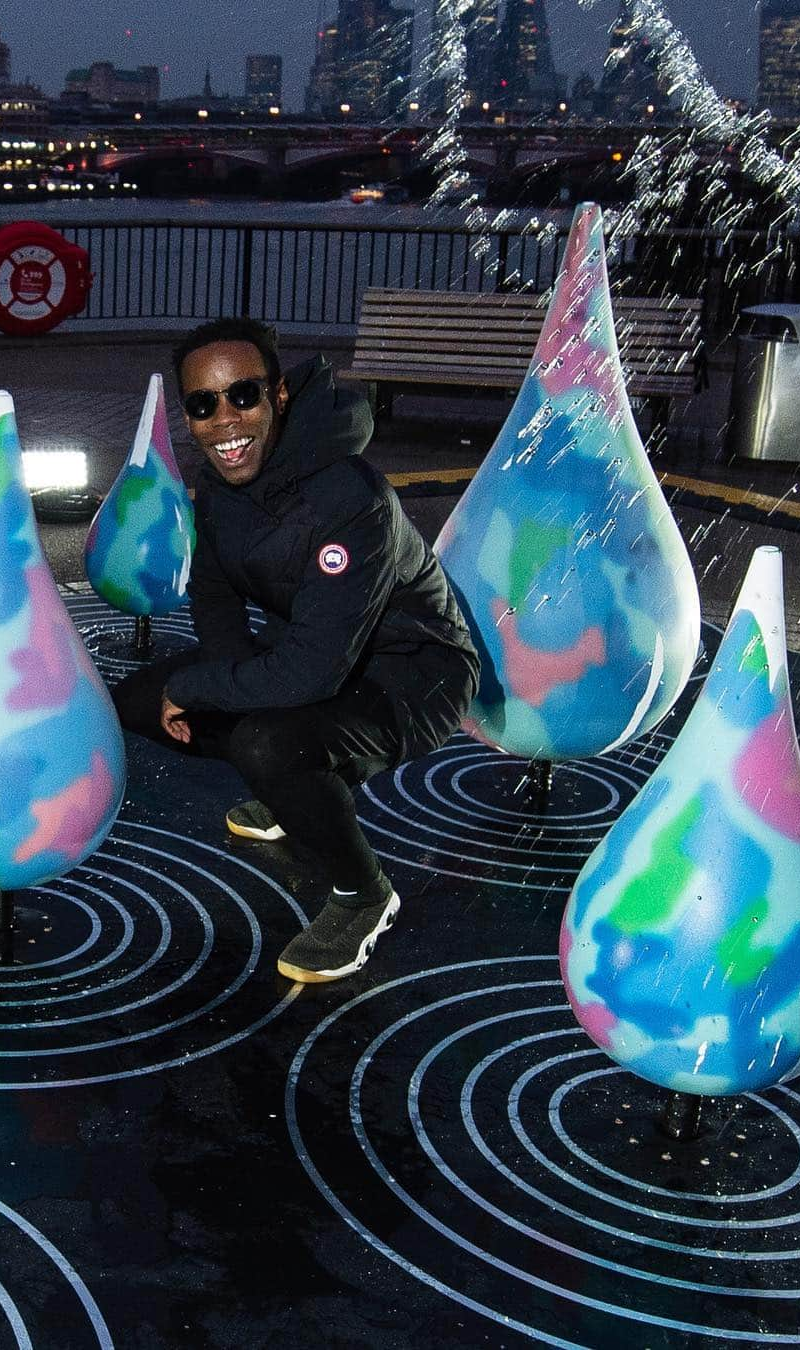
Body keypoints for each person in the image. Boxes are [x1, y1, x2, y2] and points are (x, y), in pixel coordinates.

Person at [112, 317, 479, 983]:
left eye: (243, 396)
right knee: (137, 701)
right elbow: (216, 595)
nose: (225, 421)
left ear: (278, 395)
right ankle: (297, 795)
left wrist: (204, 689)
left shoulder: (348, 496)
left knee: (265, 742)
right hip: (324, 653)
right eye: (203, 404)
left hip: (413, 674)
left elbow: (312, 671)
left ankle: (363, 894)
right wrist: (223, 677)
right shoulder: (220, 485)